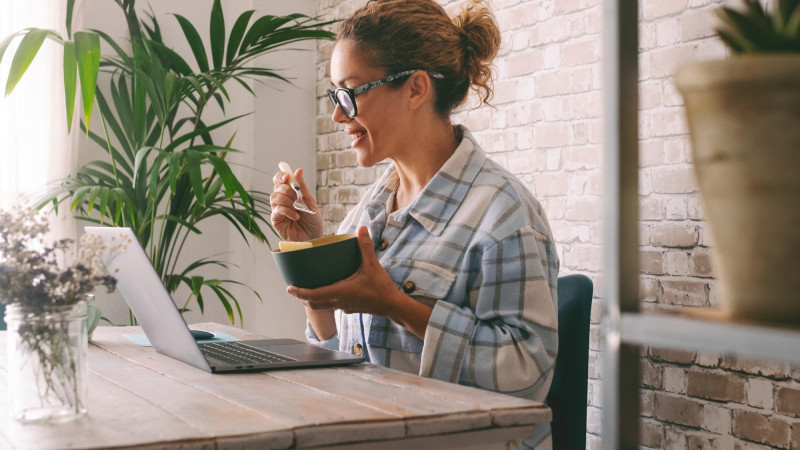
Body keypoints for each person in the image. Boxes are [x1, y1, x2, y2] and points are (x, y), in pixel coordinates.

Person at [270, 0, 558, 448]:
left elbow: (525, 375)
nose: (338, 115)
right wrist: (315, 254)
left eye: (351, 92)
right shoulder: (368, 211)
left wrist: (394, 304)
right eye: (335, 95)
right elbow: (337, 353)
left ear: (416, 89)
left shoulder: (503, 215)